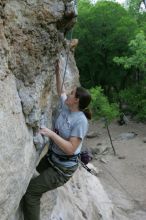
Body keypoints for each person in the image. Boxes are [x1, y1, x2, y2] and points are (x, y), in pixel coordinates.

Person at [23, 60, 91, 220]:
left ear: (77, 101)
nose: (68, 93)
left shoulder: (80, 121)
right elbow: (61, 91)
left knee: (31, 192)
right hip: (52, 158)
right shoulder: (67, 106)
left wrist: (51, 134)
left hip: (62, 169)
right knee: (30, 172)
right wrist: (57, 72)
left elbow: (70, 149)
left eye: (72, 92)